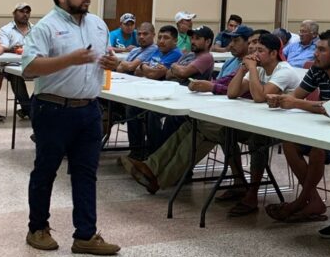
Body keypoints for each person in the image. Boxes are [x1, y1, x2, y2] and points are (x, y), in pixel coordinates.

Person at [123, 33, 302, 205]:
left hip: (278, 128)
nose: (255, 54)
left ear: (273, 53)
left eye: (261, 51)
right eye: (255, 50)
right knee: (193, 126)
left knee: (206, 129)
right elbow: (232, 93)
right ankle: (153, 169)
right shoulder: (258, 68)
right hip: (255, 121)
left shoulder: (283, 70)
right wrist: (242, 70)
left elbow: (259, 97)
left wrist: (252, 69)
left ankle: (158, 176)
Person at [22, 0, 120, 255]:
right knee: (46, 171)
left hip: (89, 110)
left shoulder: (99, 25)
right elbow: (29, 68)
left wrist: (112, 64)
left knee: (86, 173)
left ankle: (86, 235)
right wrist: (69, 60)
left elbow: (106, 59)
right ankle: (37, 228)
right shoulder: (46, 27)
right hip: (53, 109)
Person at [265, 30, 330, 226]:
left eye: (321, 50)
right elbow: (296, 96)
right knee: (290, 143)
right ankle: (312, 200)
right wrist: (280, 100)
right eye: (316, 49)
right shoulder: (318, 68)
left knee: (320, 151)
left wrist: (293, 103)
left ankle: (303, 204)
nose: (315, 54)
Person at [0, 3, 33, 119]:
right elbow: (2, 48)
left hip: (31, 63)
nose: (25, 14)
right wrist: (12, 49)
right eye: (22, 11)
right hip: (11, 65)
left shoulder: (36, 29)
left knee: (50, 75)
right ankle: (30, 109)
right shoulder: (5, 30)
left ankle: (28, 108)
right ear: (14, 13)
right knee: (16, 75)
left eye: (27, 12)